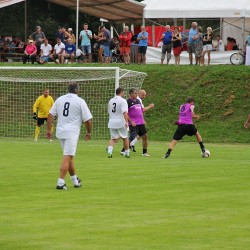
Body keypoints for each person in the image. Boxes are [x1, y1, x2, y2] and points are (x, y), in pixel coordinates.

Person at [46, 82, 92, 190]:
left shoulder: (60, 99)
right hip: (71, 133)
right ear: (77, 90)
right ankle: (60, 182)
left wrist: (48, 129)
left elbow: (50, 115)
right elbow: (88, 120)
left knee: (69, 156)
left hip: (60, 131)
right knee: (67, 156)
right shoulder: (80, 101)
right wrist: (89, 132)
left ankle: (75, 180)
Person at [121, 88, 150, 156]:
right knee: (132, 137)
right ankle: (123, 150)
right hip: (133, 123)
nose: (137, 95)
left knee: (145, 136)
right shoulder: (127, 102)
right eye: (135, 93)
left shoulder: (138, 101)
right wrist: (131, 121)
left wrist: (143, 120)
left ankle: (144, 152)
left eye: (137, 93)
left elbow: (141, 111)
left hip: (140, 123)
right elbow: (125, 113)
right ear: (131, 94)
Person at [107, 87, 130, 158]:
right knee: (125, 137)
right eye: (123, 92)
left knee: (113, 138)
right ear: (121, 92)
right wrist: (126, 122)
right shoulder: (123, 101)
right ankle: (127, 153)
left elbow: (109, 111)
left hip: (111, 122)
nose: (124, 93)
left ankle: (110, 152)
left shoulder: (111, 100)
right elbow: (125, 112)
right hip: (120, 122)